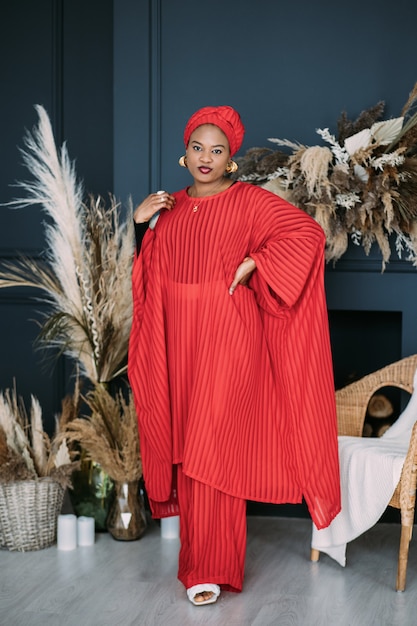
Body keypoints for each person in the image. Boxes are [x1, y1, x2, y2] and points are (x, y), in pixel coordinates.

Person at [128, 105, 341, 606]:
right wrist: (142, 227)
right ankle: (201, 564)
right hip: (178, 343)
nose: (206, 157)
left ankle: (209, 569)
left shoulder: (250, 201)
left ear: (232, 161)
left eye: (217, 150)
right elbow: (151, 279)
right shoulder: (169, 208)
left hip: (229, 342)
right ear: (184, 156)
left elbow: (307, 235)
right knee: (188, 447)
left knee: (213, 450)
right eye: (197, 148)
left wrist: (256, 261)